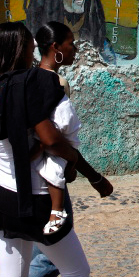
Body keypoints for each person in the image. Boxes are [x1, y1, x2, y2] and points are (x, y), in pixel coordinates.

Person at [0, 22, 112, 277]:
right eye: (28, 49)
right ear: (17, 50)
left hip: (2, 193)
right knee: (76, 272)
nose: (32, 55)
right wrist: (74, 160)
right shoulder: (23, 87)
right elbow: (50, 139)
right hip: (36, 196)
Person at [32, 21, 86, 235]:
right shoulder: (56, 82)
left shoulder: (31, 77)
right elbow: (53, 138)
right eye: (70, 43)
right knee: (51, 251)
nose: (74, 49)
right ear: (56, 47)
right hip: (47, 171)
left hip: (38, 168)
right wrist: (75, 164)